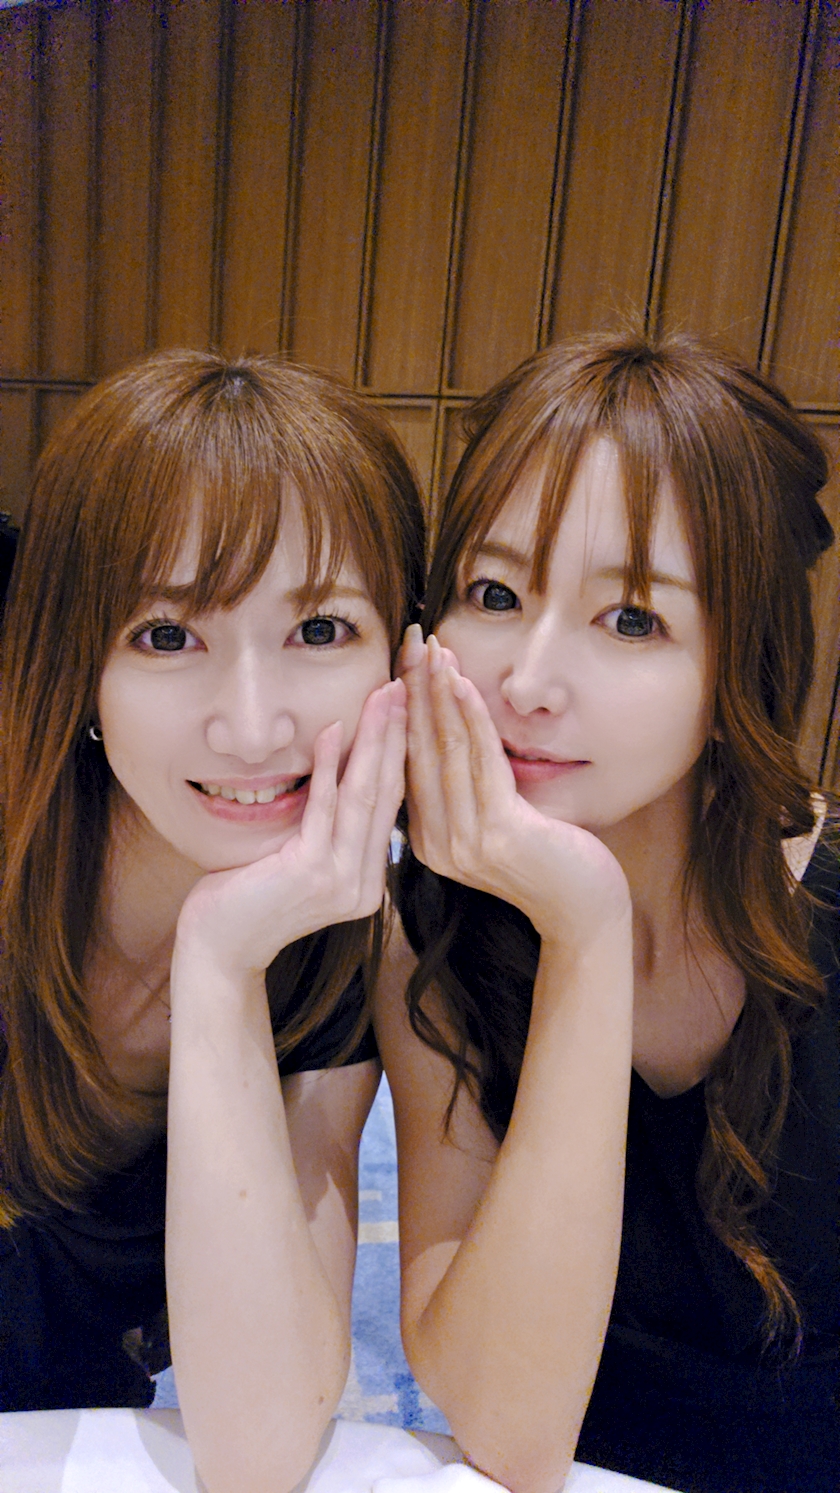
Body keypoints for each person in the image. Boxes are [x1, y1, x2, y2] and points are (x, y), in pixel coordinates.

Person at [375, 334, 839, 1493]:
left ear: (737, 671)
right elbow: (507, 1421)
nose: (528, 681)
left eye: (632, 619)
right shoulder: (427, 924)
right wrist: (582, 933)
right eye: (494, 594)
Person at [0, 350, 424, 1493]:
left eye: (320, 630)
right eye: (166, 635)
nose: (251, 726)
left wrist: (223, 963)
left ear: (404, 657)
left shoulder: (346, 940)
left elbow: (259, 1444)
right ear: (76, 663)